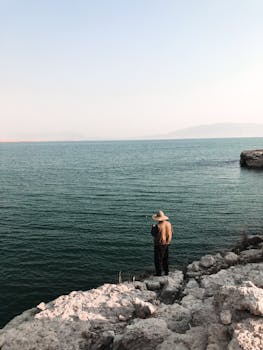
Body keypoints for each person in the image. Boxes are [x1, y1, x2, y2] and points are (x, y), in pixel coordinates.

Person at [151, 210, 173, 276]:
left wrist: (153, 228)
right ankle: (166, 272)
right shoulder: (169, 224)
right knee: (165, 258)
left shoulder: (158, 226)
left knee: (158, 259)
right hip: (167, 243)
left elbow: (153, 234)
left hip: (159, 244)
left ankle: (159, 273)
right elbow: (172, 232)